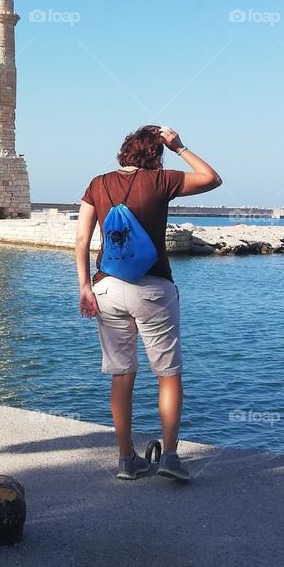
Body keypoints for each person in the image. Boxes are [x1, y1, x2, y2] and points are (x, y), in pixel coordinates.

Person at [76, 125, 222, 481]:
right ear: (156, 152)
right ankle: (170, 458)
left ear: (125, 149)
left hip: (107, 289)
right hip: (153, 288)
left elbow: (81, 239)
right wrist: (180, 146)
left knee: (121, 373)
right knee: (168, 374)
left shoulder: (98, 184)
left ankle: (127, 460)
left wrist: (83, 287)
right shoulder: (162, 180)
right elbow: (212, 179)